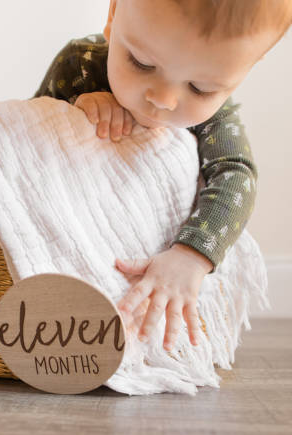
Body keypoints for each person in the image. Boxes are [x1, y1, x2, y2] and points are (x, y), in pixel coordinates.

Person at [34, 0, 291, 352]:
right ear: (113, 15)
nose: (164, 99)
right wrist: (76, 108)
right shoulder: (81, 65)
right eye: (141, 63)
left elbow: (235, 173)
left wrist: (192, 255)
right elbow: (26, 141)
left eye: (200, 88)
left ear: (243, 71)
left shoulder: (215, 117)